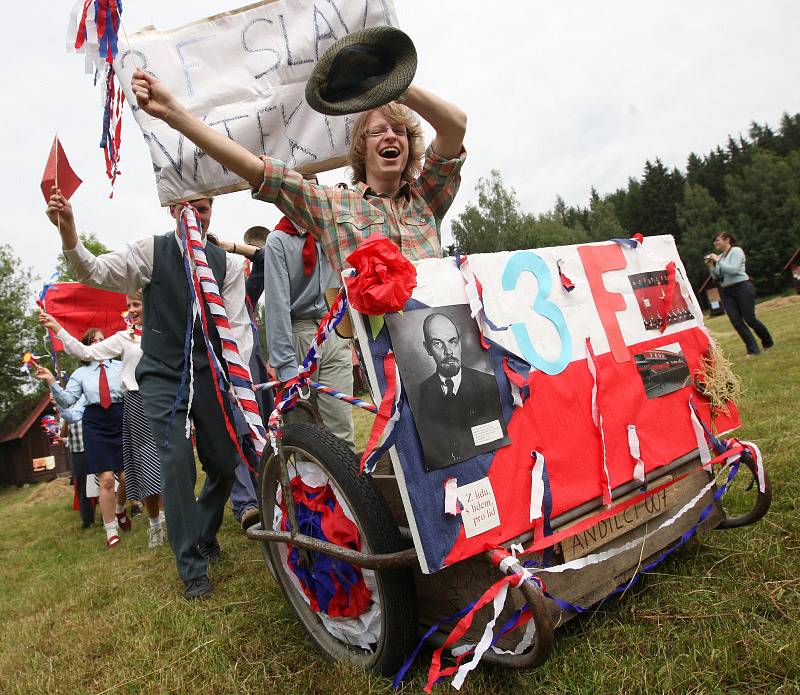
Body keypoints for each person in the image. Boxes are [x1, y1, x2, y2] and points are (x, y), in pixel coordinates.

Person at [45, 191, 253, 600]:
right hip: (161, 373)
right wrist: (69, 231)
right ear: (173, 208)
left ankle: (206, 534)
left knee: (225, 463)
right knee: (176, 462)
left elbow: (237, 326)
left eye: (204, 207)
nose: (194, 214)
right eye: (185, 206)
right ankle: (192, 566)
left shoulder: (228, 264)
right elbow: (93, 271)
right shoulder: (150, 252)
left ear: (213, 211)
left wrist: (237, 380)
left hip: (208, 368)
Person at [130, 70, 467, 276]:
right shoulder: (332, 207)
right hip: (385, 361)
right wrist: (174, 113)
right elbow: (255, 169)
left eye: (400, 132)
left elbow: (455, 125)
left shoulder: (428, 198)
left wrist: (392, 85)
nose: (392, 136)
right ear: (362, 148)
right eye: (379, 132)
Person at [39, 293, 166, 548]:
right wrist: (59, 330)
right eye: (128, 305)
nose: (130, 309)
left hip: (155, 403)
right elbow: (83, 356)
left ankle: (159, 513)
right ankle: (145, 525)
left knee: (160, 467)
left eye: (136, 304)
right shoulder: (119, 342)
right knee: (132, 471)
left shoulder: (158, 334)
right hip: (121, 412)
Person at [36, 329, 126, 548]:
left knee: (126, 478)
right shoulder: (81, 374)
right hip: (95, 424)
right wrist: (51, 382)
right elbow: (68, 401)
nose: (99, 344)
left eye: (102, 340)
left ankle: (120, 509)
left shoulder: (121, 366)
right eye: (94, 341)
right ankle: (111, 530)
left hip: (121, 419)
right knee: (105, 479)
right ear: (86, 347)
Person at [416, 313, 503, 468]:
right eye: (437, 343)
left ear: (460, 344)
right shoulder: (419, 394)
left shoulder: (488, 385)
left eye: (452, 341)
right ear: (427, 348)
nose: (448, 351)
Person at [705, 232, 774, 356]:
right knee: (736, 322)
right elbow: (718, 277)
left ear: (728, 240)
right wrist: (711, 266)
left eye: (717, 240)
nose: (715, 243)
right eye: (714, 241)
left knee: (750, 319)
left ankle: (768, 342)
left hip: (742, 287)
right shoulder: (721, 256)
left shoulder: (736, 251)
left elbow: (733, 270)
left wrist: (718, 260)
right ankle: (753, 350)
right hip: (727, 291)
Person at [58, 396, 95, 529]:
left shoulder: (87, 406)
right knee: (81, 487)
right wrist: (67, 420)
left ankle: (106, 517)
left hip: (92, 450)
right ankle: (87, 520)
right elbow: (62, 435)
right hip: (77, 454)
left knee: (99, 483)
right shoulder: (65, 411)